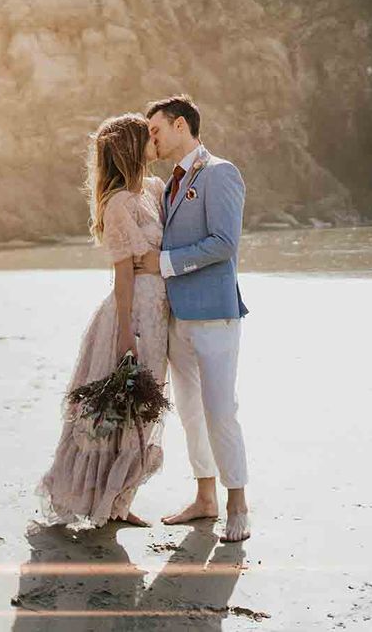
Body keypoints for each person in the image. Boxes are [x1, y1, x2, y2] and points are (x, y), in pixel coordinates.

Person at [35, 113, 169, 529]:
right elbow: (124, 275)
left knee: (143, 406)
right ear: (132, 147)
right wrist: (126, 333)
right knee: (120, 406)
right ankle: (106, 498)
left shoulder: (152, 188)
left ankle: (119, 498)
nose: (154, 141)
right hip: (132, 313)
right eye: (146, 137)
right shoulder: (117, 205)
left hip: (159, 309)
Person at [134, 94, 251, 543]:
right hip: (177, 318)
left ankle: (237, 502)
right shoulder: (170, 184)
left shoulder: (221, 173)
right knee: (189, 412)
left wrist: (163, 262)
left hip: (215, 315)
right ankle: (205, 498)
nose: (153, 139)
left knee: (221, 410)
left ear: (180, 125)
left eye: (156, 130)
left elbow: (224, 243)